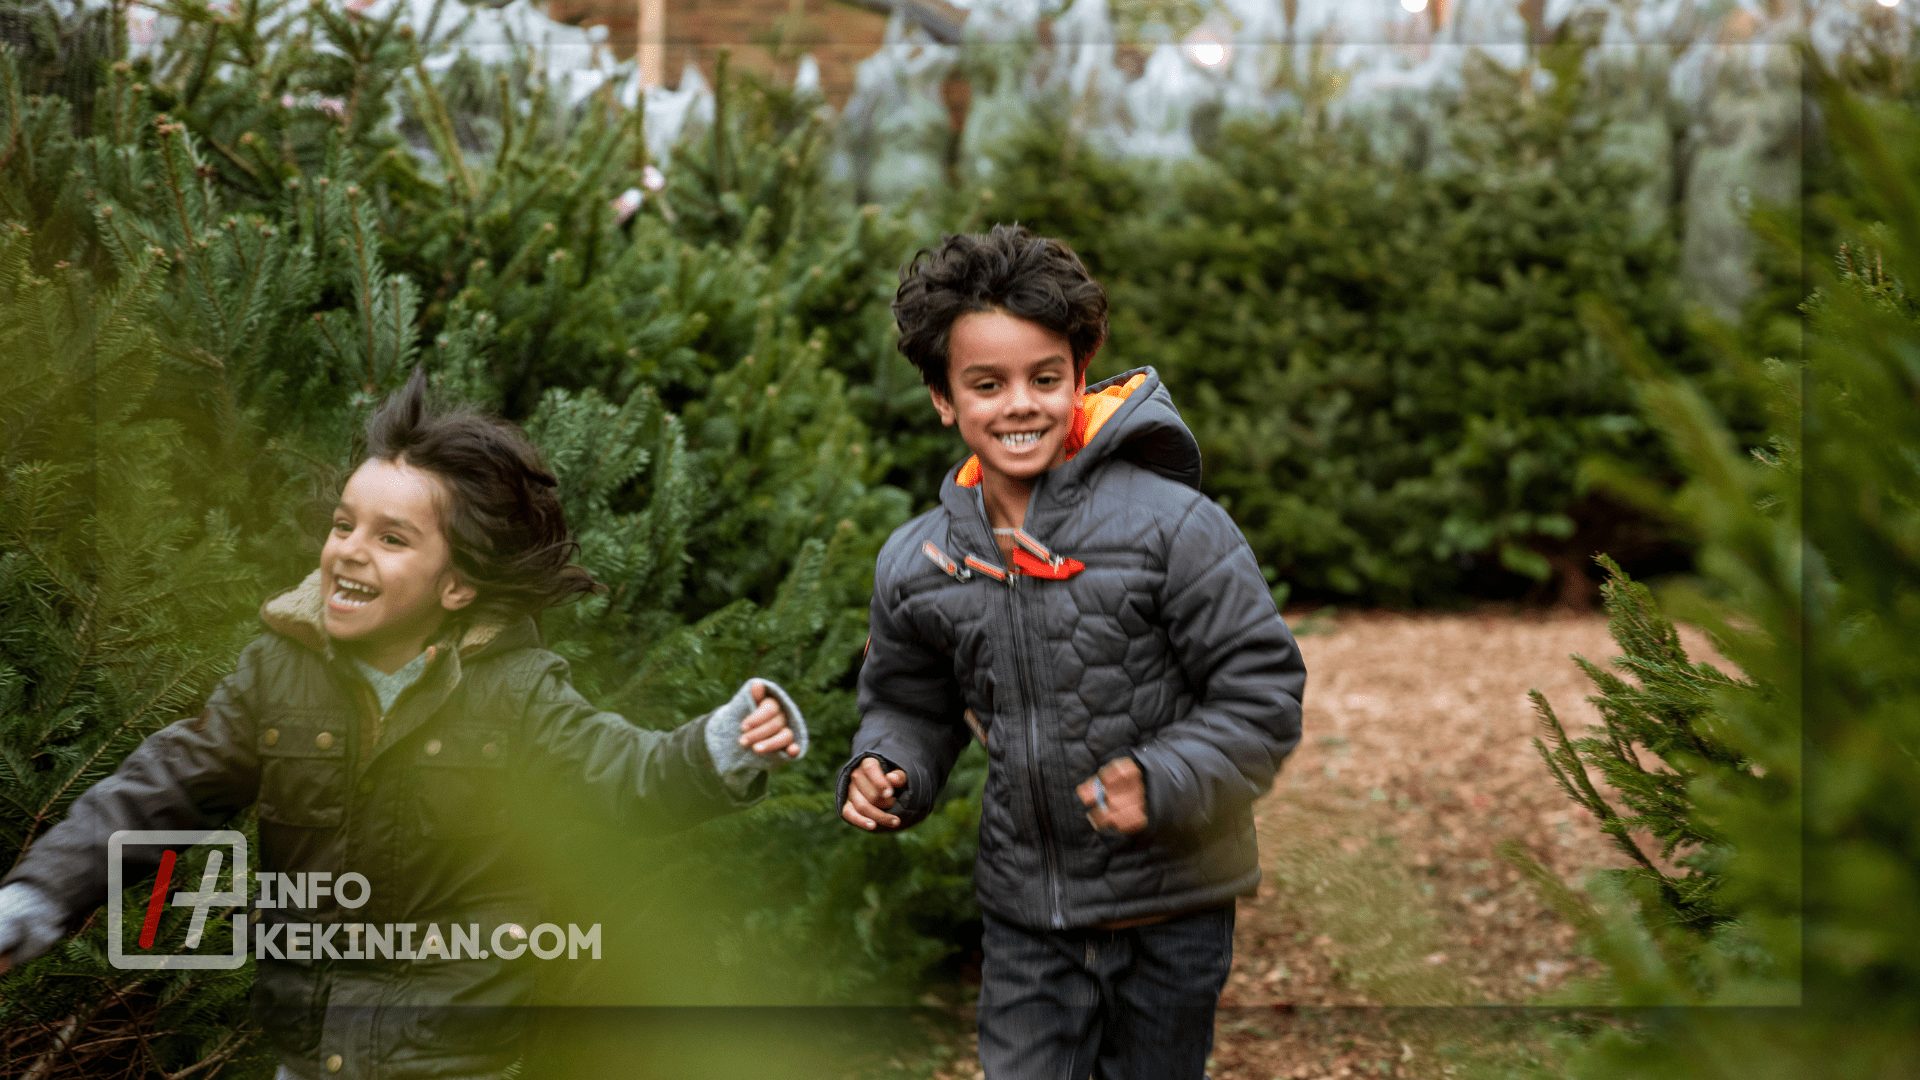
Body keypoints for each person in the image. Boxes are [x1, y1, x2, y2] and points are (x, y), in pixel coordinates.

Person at [0, 370, 808, 1080]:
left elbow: (624, 776)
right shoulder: (278, 674)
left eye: (391, 540)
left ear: (456, 586)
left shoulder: (515, 694)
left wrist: (721, 746)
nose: (350, 551)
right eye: (343, 525)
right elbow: (158, 789)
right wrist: (42, 892)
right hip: (309, 1054)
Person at [838, 224, 1307, 1079]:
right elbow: (910, 701)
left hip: (1176, 906)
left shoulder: (1174, 529)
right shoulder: (920, 561)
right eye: (987, 383)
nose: (1019, 404)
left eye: (1043, 379)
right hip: (1027, 915)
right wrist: (888, 765)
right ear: (945, 398)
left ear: (1078, 378)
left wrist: (1162, 778)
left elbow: (1261, 694)